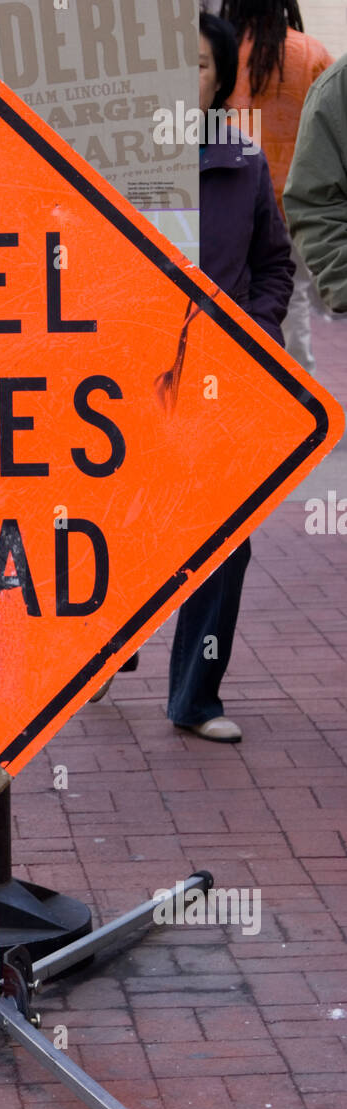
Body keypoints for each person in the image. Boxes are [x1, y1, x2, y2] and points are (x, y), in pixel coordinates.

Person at [92, 12, 294, 742]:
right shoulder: (112, 163)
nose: (187, 78)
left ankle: (195, 696)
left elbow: (275, 261)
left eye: (201, 66)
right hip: (125, 384)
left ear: (217, 82)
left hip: (218, 382)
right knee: (123, 521)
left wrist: (257, 327)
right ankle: (101, 651)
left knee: (225, 537)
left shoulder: (243, 164)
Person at [221, 1, 333, 374]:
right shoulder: (312, 53)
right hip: (293, 201)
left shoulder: (221, 50)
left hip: (228, 195)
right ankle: (298, 395)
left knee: (221, 297)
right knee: (293, 297)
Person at [283, 52, 347, 316]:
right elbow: (314, 202)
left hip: (262, 196)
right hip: (260, 193)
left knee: (294, 296)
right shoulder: (335, 81)